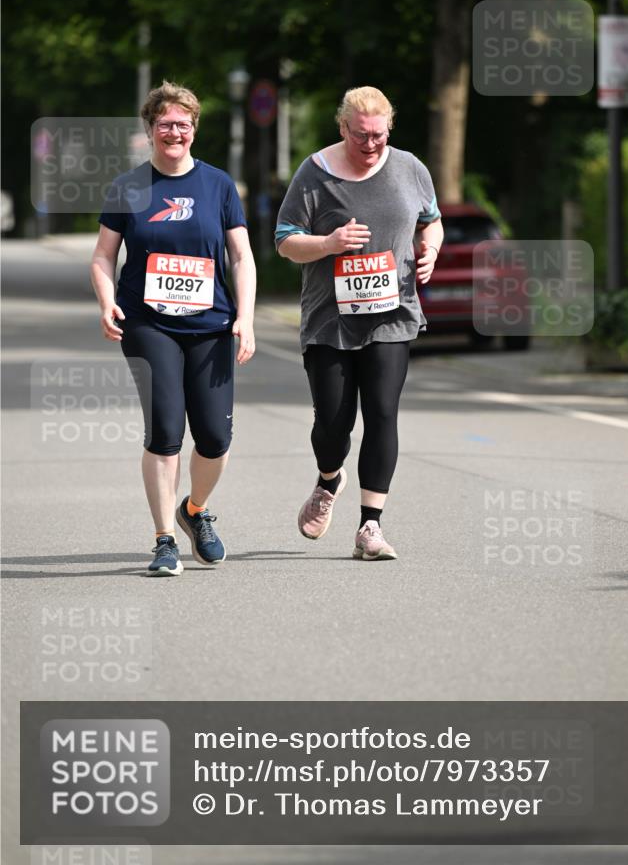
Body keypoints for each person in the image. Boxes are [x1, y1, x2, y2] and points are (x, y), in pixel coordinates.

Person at [91, 81, 256, 576]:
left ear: (194, 129)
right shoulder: (128, 186)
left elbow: (241, 256)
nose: (174, 131)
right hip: (147, 323)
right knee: (165, 430)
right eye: (165, 123)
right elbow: (103, 256)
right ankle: (164, 538)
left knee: (214, 437)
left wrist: (245, 318)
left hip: (211, 325)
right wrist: (105, 303)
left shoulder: (219, 185)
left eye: (183, 124)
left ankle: (195, 511)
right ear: (151, 129)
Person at [275, 86, 444, 560]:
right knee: (332, 424)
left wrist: (429, 249)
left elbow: (431, 220)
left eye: (379, 135)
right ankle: (329, 479)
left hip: (392, 314)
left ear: (389, 128)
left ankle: (370, 526)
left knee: (382, 413)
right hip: (330, 319)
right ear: (343, 127)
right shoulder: (315, 172)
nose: (371, 145)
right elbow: (285, 240)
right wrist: (328, 243)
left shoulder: (410, 168)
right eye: (361, 136)